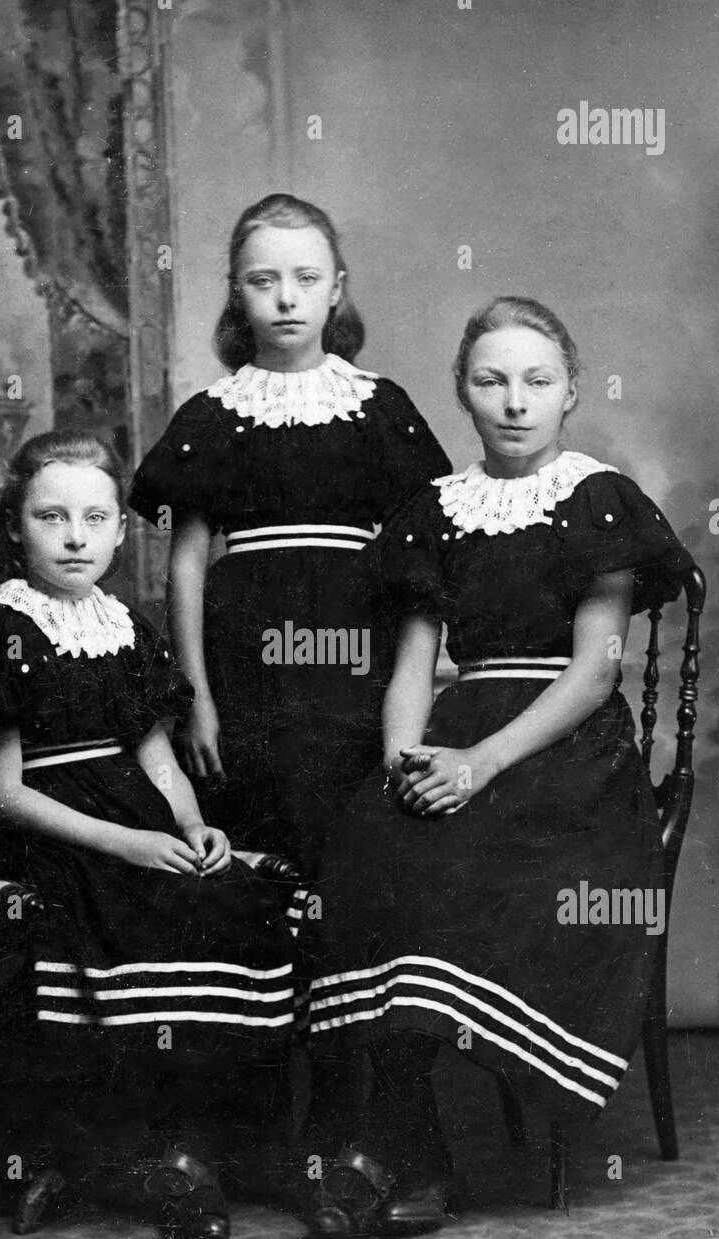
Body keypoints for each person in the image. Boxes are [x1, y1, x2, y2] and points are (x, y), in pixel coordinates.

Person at [300, 296, 695, 1239]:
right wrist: (403, 766)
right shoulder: (435, 512)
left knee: (455, 866)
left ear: (570, 391)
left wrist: (478, 762)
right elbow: (409, 667)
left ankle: (395, 1158)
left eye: (535, 380)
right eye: (490, 381)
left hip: (566, 760)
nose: (513, 402)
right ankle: (411, 1145)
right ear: (462, 395)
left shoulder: (597, 498)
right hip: (452, 734)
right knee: (371, 848)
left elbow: (596, 667)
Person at [0, 431, 295, 1239]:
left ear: (121, 533)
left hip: (129, 808)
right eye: (51, 516)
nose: (75, 536)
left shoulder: (124, 625)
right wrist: (127, 846)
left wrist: (193, 824)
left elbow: (156, 755)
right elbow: (1, 791)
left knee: (231, 897)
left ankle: (191, 1142)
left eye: (95, 517)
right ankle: (110, 1151)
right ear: (16, 527)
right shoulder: (0, 631)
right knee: (133, 904)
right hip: (39, 824)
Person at [128, 193, 452, 882]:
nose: (285, 300)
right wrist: (197, 698)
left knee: (347, 822)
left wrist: (405, 693)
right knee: (255, 814)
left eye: (305, 279)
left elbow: (420, 568)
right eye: (261, 280)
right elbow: (186, 565)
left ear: (336, 290)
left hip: (354, 644)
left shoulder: (377, 407)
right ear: (236, 295)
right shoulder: (214, 417)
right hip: (243, 652)